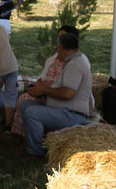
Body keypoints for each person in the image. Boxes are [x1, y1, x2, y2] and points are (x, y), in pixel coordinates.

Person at [19, 32, 93, 161]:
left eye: (57, 48)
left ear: (63, 49)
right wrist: (43, 89)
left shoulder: (75, 64)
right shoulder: (72, 61)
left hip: (73, 115)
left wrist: (44, 90)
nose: (56, 51)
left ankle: (36, 153)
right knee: (25, 105)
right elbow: (62, 86)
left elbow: (67, 93)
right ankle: (32, 142)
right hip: (65, 110)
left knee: (32, 112)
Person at [11, 25, 78, 136]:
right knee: (24, 100)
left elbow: (67, 91)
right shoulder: (56, 57)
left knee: (30, 108)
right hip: (49, 91)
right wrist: (38, 86)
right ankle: (25, 136)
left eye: (62, 37)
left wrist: (45, 89)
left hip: (62, 100)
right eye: (58, 37)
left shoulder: (76, 61)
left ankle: (36, 146)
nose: (58, 40)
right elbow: (44, 75)